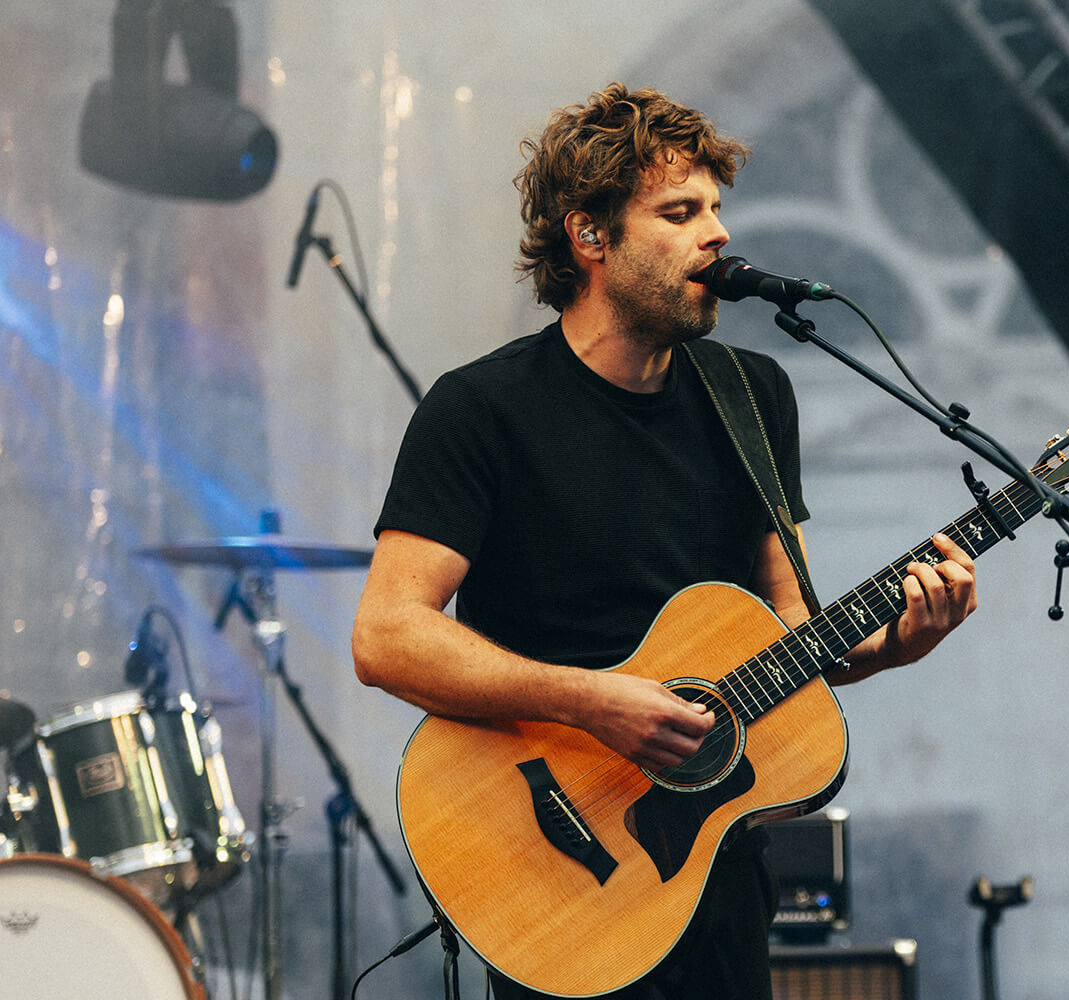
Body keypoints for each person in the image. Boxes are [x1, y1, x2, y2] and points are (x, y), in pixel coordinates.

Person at [351, 82, 978, 1000]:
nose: (716, 234)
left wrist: (894, 646)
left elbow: (791, 632)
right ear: (590, 236)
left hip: (714, 883)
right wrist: (592, 702)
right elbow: (386, 635)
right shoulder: (481, 411)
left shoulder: (753, 395)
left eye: (716, 210)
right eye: (679, 213)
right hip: (555, 862)